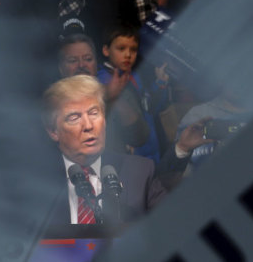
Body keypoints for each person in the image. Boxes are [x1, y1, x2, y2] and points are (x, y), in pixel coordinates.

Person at [42, 75, 167, 225]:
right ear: (53, 131)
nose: (88, 126)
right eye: (74, 118)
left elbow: (169, 232)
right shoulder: (33, 182)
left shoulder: (141, 172)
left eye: (94, 113)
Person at [58, 33, 150, 155]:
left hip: (115, 171)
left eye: (88, 59)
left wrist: (115, 98)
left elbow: (140, 137)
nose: (81, 65)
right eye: (73, 60)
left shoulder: (114, 89)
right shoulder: (53, 100)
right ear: (61, 68)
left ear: (96, 64)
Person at [97, 24, 170, 164]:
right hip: (126, 157)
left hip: (150, 150)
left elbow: (148, 107)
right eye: (121, 48)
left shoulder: (133, 76)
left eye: (133, 49)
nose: (128, 55)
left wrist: (160, 83)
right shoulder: (102, 80)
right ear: (106, 50)